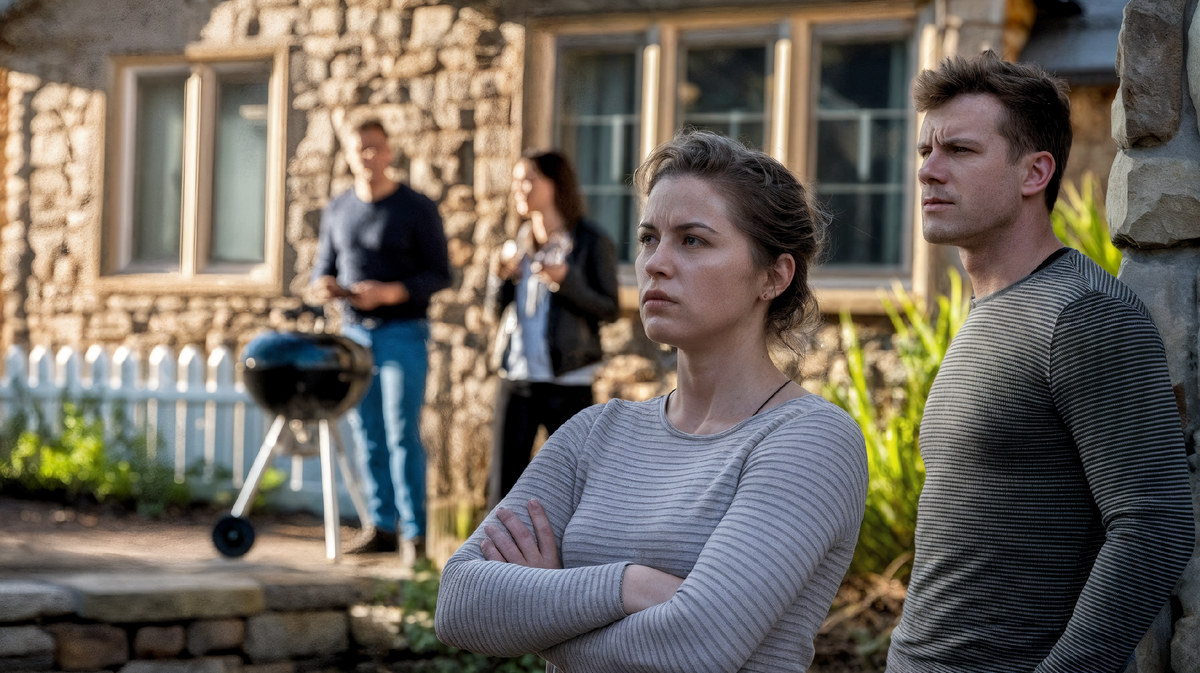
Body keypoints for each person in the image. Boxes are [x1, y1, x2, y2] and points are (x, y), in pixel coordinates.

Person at [436, 131, 868, 672]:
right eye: (648, 238)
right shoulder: (595, 432)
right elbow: (459, 601)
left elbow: (696, 647)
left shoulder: (810, 440)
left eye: (693, 241)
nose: (656, 263)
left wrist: (544, 610)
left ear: (773, 276)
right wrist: (632, 586)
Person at [887, 51, 1195, 672]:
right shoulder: (991, 309)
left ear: (1035, 172)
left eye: (959, 150)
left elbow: (1153, 525)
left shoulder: (1084, 314)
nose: (928, 170)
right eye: (925, 150)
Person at [310, 119, 451, 558]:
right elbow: (322, 269)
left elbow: (440, 274)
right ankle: (382, 526)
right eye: (360, 149)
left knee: (401, 431)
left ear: (389, 152)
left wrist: (391, 292)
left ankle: (416, 534)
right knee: (366, 431)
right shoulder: (338, 209)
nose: (368, 156)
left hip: (403, 332)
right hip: (354, 334)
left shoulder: (417, 207)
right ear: (349, 155)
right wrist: (327, 286)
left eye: (375, 148)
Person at [486, 150, 620, 507]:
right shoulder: (516, 242)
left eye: (529, 179)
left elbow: (609, 309)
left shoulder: (590, 241)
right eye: (516, 180)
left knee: (572, 486)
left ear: (555, 184)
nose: (519, 188)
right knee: (503, 488)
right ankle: (499, 547)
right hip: (516, 376)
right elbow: (493, 312)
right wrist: (499, 276)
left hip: (568, 379)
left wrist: (566, 281)